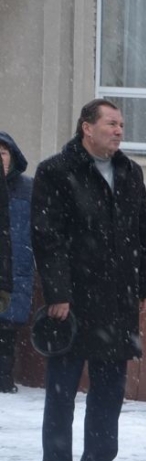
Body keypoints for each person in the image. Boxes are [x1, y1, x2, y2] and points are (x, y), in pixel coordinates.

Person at [33, 98, 146, 461]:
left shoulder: (129, 172)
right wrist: (58, 293)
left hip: (118, 301)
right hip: (73, 300)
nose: (119, 130)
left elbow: (144, 234)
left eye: (122, 124)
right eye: (111, 123)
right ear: (87, 127)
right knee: (62, 389)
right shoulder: (56, 171)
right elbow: (47, 239)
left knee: (109, 390)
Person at [0, 132, 32, 393]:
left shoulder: (27, 189)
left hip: (15, 273)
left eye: (3, 153)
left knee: (7, 333)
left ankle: (4, 381)